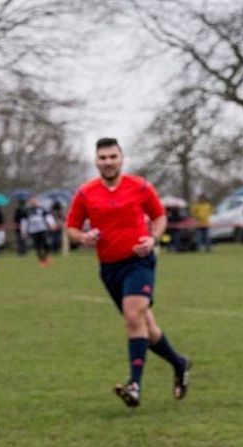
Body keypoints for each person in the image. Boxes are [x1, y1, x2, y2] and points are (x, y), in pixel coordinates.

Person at [65, 137, 192, 407]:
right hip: (109, 268)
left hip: (139, 261)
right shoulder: (86, 193)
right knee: (146, 326)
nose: (108, 162)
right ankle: (179, 364)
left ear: (122, 158)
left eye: (113, 156)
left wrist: (153, 239)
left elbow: (159, 217)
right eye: (103, 158)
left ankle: (134, 385)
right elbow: (71, 228)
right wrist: (83, 237)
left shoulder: (140, 187)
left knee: (133, 316)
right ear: (96, 161)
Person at [21, 197, 56, 266]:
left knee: (46, 243)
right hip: (33, 231)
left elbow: (48, 217)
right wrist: (24, 231)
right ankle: (42, 260)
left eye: (35, 201)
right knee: (37, 246)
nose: (33, 202)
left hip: (43, 229)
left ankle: (47, 255)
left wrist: (52, 224)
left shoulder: (42, 209)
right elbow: (24, 222)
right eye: (32, 201)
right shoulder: (27, 211)